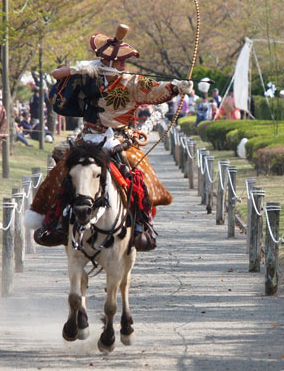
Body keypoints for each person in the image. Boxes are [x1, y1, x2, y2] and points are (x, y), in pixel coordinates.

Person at [24, 23, 193, 250]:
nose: (124, 65)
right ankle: (57, 221)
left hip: (121, 141)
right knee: (61, 170)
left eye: (125, 61)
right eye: (120, 61)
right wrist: (80, 69)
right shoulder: (88, 76)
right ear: (107, 62)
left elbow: (154, 87)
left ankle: (143, 224)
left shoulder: (130, 82)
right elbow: (56, 75)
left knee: (141, 172)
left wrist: (175, 87)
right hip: (88, 139)